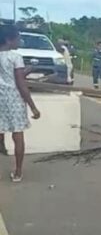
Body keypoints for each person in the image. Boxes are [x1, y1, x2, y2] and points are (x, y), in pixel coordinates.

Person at [0, 25, 41, 182]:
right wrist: (33, 106)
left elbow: (6, 76)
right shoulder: (15, 57)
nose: (20, 41)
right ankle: (17, 172)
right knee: (17, 136)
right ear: (9, 40)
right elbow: (20, 84)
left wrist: (24, 72)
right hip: (13, 100)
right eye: (17, 38)